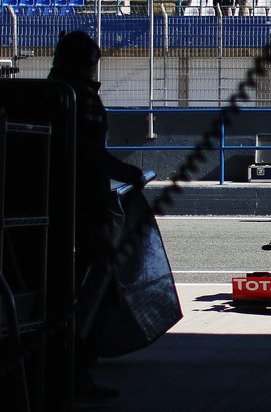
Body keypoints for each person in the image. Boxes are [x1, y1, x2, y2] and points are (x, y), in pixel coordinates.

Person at [48, 31, 145, 403]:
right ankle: (75, 372)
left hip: (49, 209)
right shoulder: (78, 98)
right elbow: (89, 155)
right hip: (83, 209)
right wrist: (132, 174)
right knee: (89, 292)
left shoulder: (50, 92)